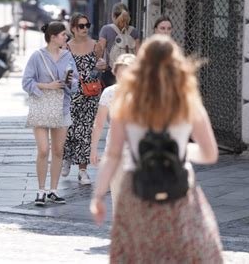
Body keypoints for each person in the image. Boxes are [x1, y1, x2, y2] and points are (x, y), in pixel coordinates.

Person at [90, 35, 223, 262]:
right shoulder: (187, 102)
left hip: (137, 189)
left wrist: (99, 196)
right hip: (179, 189)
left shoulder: (127, 103)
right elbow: (210, 153)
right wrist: (180, 150)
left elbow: (113, 155)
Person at [22, 21, 79, 206]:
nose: (66, 37)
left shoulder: (68, 56)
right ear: (53, 36)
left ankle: (53, 191)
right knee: (43, 150)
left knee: (57, 150)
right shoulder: (37, 56)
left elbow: (75, 82)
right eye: (64, 34)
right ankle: (40, 190)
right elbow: (26, 82)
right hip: (41, 107)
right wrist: (48, 86)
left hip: (61, 107)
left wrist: (68, 83)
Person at [61, 13, 106, 184]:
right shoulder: (66, 48)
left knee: (86, 131)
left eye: (87, 25)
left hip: (90, 94)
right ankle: (66, 157)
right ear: (73, 28)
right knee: (70, 130)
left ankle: (83, 170)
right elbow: (63, 71)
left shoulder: (96, 45)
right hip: (72, 94)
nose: (85, 28)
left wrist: (102, 66)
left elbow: (101, 64)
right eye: (81, 26)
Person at [89, 53, 135, 209]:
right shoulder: (109, 92)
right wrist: (93, 149)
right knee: (117, 197)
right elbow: (99, 122)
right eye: (121, 72)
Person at [98, 2, 140, 87]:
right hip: (130, 73)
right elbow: (139, 54)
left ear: (113, 16)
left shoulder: (106, 30)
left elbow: (100, 52)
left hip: (111, 73)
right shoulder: (134, 31)